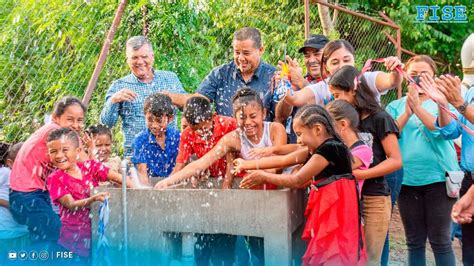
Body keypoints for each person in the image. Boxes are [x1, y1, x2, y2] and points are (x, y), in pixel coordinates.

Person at [156, 87, 287, 266]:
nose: (248, 122)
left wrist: (256, 171)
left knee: (279, 250)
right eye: (242, 117)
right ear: (235, 117)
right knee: (256, 246)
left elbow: (279, 164)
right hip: (250, 195)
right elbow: (200, 163)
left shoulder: (275, 129)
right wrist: (167, 182)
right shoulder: (232, 138)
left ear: (263, 113)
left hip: (279, 195)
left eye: (253, 116)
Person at [236, 104, 365, 265]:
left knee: (333, 254)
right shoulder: (318, 148)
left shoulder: (331, 149)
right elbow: (283, 160)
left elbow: (297, 180)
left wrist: (264, 177)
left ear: (317, 129)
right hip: (327, 207)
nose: (298, 140)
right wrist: (246, 164)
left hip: (336, 212)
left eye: (299, 134)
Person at [386, 55, 458, 265]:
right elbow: (389, 134)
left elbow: (445, 131)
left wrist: (418, 108)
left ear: (434, 78)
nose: (418, 79)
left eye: (424, 75)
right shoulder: (396, 106)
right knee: (414, 241)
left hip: (439, 180)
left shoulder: (441, 102)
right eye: (413, 74)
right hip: (407, 181)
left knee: (441, 241)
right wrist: (408, 111)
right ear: (406, 77)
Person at [328, 65, 402, 266]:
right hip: (349, 197)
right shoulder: (344, 121)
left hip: (374, 198)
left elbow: (395, 160)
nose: (335, 101)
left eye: (337, 95)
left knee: (370, 259)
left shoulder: (380, 118)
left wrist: (363, 175)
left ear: (352, 90)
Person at [9, 96, 86, 252]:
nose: (76, 125)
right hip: (27, 195)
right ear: (56, 117)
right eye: (70, 119)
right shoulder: (56, 133)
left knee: (42, 238)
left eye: (80, 120)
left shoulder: (54, 130)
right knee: (55, 234)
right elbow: (85, 163)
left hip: (28, 195)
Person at [46, 128, 133, 261]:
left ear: (78, 151)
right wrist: (93, 199)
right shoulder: (55, 178)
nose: (59, 155)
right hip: (73, 242)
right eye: (53, 151)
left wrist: (137, 189)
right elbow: (71, 205)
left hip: (97, 236)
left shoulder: (91, 167)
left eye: (64, 150)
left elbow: (123, 180)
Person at [163, 27, 276, 121]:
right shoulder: (221, 74)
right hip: (225, 141)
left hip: (261, 144)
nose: (241, 58)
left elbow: (280, 117)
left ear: (261, 50)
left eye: (246, 53)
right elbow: (197, 101)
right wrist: (168, 96)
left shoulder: (273, 76)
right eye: (237, 52)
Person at [100, 35, 185, 156]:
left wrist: (171, 97)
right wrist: (113, 101)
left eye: (144, 57)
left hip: (168, 154)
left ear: (152, 57)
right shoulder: (119, 86)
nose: (140, 62)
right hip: (135, 155)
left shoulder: (170, 79)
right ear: (127, 60)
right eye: (134, 57)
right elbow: (105, 125)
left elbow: (187, 108)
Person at [276, 39, 402, 110]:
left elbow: (392, 81)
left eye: (346, 60)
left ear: (354, 60)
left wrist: (395, 69)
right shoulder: (323, 87)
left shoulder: (366, 79)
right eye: (335, 62)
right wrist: (283, 81)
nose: (342, 65)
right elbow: (294, 98)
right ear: (326, 66)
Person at [430, 69, 474, 265]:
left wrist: (460, 104)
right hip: (469, 180)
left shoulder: (464, 99)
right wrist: (443, 104)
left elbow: (462, 108)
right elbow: (450, 130)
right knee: (470, 247)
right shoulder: (471, 92)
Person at [173, 96, 237, 188]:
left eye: (205, 129)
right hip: (212, 178)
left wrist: (226, 187)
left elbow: (232, 161)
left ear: (213, 116)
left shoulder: (229, 125)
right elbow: (180, 165)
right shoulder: (187, 133)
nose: (200, 133)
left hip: (239, 177)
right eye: (196, 130)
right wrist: (167, 183)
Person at [275, 34, 329, 143]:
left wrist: (302, 83)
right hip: (296, 148)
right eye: (307, 56)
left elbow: (328, 114)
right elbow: (281, 116)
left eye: (317, 54)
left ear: (328, 55)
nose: (311, 60)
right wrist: (290, 88)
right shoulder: (299, 81)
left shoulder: (335, 82)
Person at [326, 100, 373, 197]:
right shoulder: (337, 147)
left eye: (329, 126)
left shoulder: (363, 151)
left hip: (347, 207)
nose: (326, 131)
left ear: (343, 124)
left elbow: (333, 168)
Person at [132, 93, 180, 185]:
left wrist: (169, 184)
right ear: (144, 115)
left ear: (170, 118)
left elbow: (181, 166)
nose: (154, 125)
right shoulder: (140, 141)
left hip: (174, 185)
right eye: (150, 120)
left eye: (159, 120)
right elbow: (143, 177)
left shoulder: (177, 137)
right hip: (151, 186)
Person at [0, 143, 29, 263]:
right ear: (9, 162)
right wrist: (11, 205)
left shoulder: (29, 177)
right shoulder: (5, 172)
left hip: (23, 231)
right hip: (7, 231)